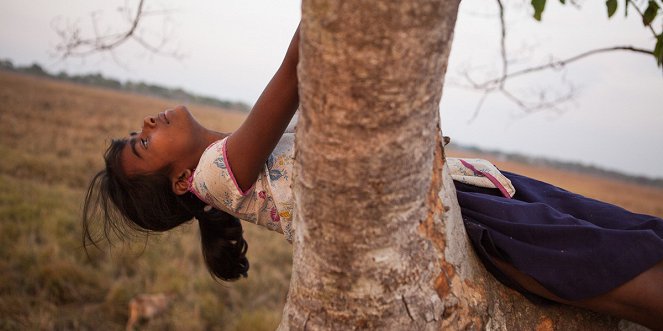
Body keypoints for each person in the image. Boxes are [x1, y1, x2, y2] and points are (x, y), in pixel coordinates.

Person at [82, 26, 663, 329]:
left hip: (456, 189)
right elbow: (292, 75)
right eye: (142, 143)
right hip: (452, 215)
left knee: (616, 238)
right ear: (181, 182)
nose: (146, 123)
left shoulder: (231, 163)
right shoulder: (216, 176)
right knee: (607, 262)